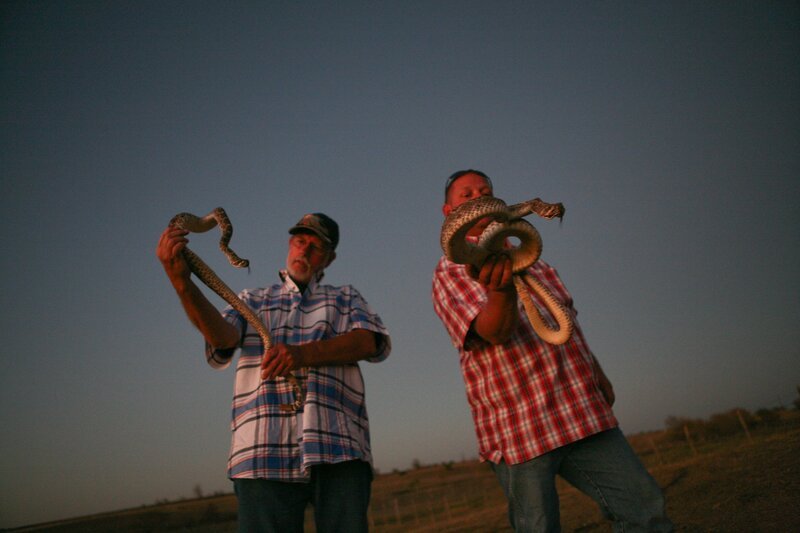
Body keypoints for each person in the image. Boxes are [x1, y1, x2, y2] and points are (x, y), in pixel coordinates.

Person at [432, 170, 672, 532]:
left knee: (646, 510)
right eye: (467, 195)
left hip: (580, 409)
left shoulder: (535, 259)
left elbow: (569, 325)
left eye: (486, 191)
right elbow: (493, 334)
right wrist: (501, 292)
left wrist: (598, 373)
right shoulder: (452, 269)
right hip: (520, 428)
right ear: (448, 210)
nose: (479, 197)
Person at [157, 212, 391, 533]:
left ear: (329, 258)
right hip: (261, 452)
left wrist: (301, 354)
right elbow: (222, 338)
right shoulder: (252, 300)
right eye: (300, 241)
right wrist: (181, 282)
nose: (305, 251)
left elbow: (369, 341)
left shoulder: (344, 297)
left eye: (316, 247)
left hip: (339, 448)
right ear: (289, 244)